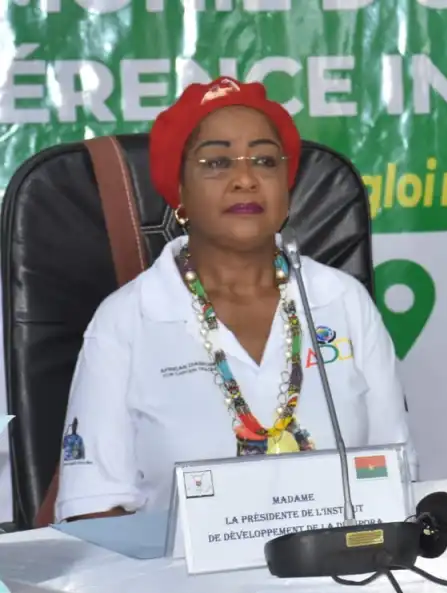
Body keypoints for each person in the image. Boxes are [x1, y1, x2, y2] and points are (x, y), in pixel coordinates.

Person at [54, 77, 417, 522]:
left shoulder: (343, 301)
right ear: (180, 192)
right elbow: (94, 510)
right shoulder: (126, 320)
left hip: (344, 578)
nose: (245, 179)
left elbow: (396, 480)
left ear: (286, 187)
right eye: (216, 162)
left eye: (265, 161)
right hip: (175, 588)